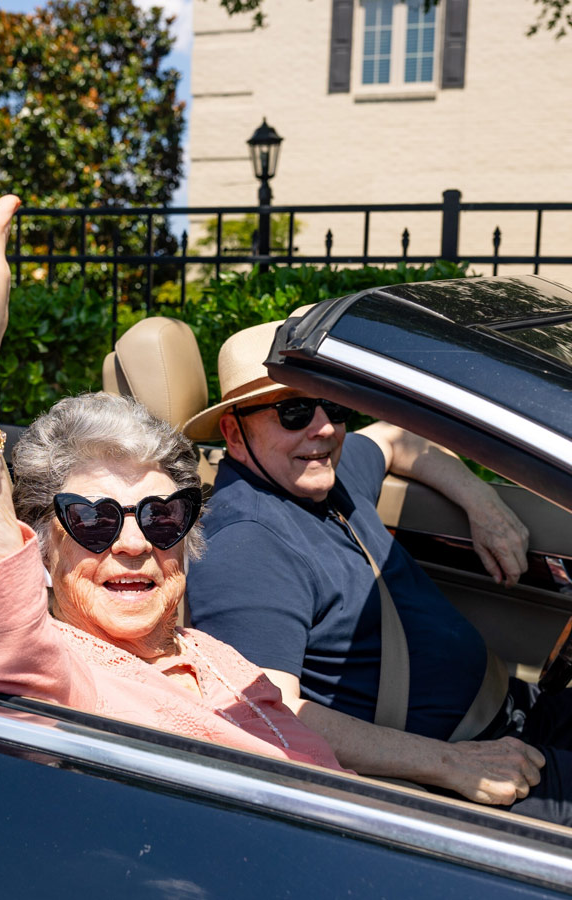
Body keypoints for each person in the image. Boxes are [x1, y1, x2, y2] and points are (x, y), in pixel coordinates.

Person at [0, 139, 347, 771]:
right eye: (95, 519)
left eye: (162, 516)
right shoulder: (61, 681)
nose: (133, 543)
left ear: (187, 539)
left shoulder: (210, 652)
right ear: (43, 551)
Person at [183, 320, 571, 823]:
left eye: (334, 404)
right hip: (465, 772)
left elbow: (397, 438)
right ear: (235, 433)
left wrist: (483, 504)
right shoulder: (247, 543)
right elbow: (267, 717)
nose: (323, 427)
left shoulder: (317, 475)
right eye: (294, 411)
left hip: (517, 714)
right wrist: (451, 765)